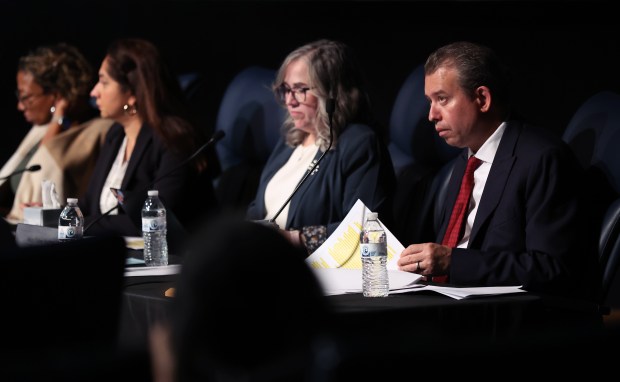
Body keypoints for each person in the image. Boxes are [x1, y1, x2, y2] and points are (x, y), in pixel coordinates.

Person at [397, 41, 600, 300]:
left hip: (510, 321)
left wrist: (453, 262)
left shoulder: (543, 159)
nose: (431, 115)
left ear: (482, 99)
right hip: (451, 305)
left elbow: (553, 268)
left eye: (442, 99)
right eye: (430, 101)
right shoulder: (464, 161)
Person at [246, 39, 395, 254]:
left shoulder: (359, 143)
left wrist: (294, 238)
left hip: (317, 275)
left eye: (300, 90)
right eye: (286, 89)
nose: (290, 100)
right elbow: (257, 210)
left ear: (333, 94)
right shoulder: (289, 142)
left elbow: (366, 229)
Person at [82, 38, 218, 242]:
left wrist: (81, 225)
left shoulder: (174, 140)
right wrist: (48, 215)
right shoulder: (115, 136)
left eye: (104, 82)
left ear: (132, 93)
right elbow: (89, 205)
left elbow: (154, 219)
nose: (94, 92)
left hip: (176, 261)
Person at [0, 43, 113, 221]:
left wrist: (57, 120)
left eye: (26, 97)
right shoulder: (38, 131)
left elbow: (42, 170)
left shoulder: (94, 132)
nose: (20, 106)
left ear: (56, 95)